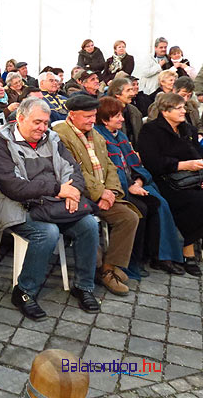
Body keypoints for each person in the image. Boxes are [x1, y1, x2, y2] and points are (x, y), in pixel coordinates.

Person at [0, 98, 100, 320]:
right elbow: (15, 188)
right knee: (47, 232)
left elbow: (74, 170)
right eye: (37, 122)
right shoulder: (1, 146)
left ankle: (84, 286)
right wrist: (59, 190)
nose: (42, 128)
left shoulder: (52, 139)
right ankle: (24, 291)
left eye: (46, 123)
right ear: (20, 119)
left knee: (88, 225)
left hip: (53, 203)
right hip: (18, 206)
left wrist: (74, 191)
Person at [54, 94, 139, 296]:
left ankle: (109, 268)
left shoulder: (95, 134)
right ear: (72, 115)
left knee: (129, 217)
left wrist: (111, 191)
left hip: (103, 193)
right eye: (87, 117)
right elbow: (73, 171)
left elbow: (110, 164)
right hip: (80, 195)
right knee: (88, 226)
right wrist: (100, 193)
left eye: (94, 116)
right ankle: (99, 269)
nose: (93, 120)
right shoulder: (60, 134)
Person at [94, 97, 183, 276]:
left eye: (121, 114)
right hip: (118, 187)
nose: (122, 119)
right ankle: (134, 260)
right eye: (117, 116)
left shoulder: (120, 135)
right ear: (104, 119)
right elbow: (109, 171)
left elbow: (135, 164)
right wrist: (129, 186)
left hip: (134, 182)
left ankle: (158, 256)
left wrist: (139, 181)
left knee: (160, 204)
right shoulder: (98, 137)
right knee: (141, 208)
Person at [137, 93, 203, 276]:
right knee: (195, 201)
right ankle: (188, 252)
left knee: (197, 195)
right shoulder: (151, 130)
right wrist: (181, 165)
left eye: (184, 107)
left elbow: (197, 154)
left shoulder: (187, 129)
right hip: (165, 180)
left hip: (192, 177)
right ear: (165, 111)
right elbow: (152, 162)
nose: (184, 111)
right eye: (179, 108)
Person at [107, 76, 143, 147]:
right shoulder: (107, 111)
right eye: (128, 90)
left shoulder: (135, 111)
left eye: (132, 90)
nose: (132, 94)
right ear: (117, 93)